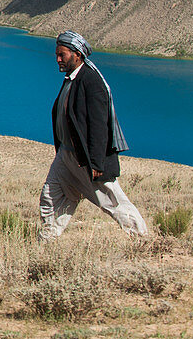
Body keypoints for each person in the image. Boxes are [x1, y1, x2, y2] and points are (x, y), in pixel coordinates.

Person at [38, 30, 148, 240]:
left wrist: (96, 163)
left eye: (62, 54)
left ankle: (142, 238)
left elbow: (99, 125)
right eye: (56, 55)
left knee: (111, 201)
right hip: (66, 156)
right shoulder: (72, 78)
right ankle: (46, 240)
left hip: (86, 159)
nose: (58, 59)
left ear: (77, 54)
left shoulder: (91, 81)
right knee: (51, 196)